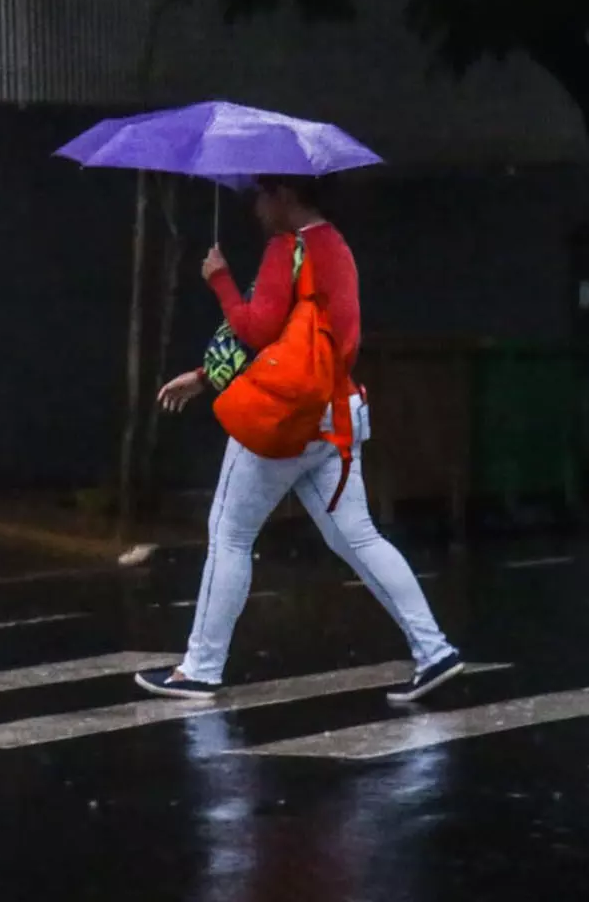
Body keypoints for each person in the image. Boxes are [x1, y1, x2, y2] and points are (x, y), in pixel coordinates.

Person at [133, 176, 465, 705]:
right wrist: (206, 375)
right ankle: (434, 650)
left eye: (261, 197)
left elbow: (257, 330)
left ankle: (200, 668)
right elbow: (304, 340)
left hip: (283, 419)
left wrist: (219, 280)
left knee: (230, 533)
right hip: (335, 414)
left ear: (285, 194)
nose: (257, 209)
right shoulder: (337, 248)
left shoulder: (286, 248)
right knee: (358, 537)